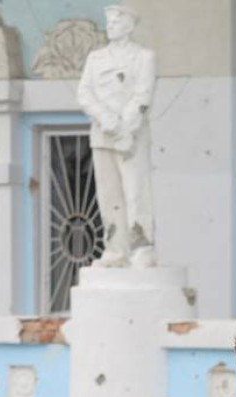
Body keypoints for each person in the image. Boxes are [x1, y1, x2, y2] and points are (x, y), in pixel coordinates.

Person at [76, 5, 157, 268]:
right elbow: (84, 93)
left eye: (116, 21)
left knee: (136, 193)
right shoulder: (95, 59)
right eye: (108, 21)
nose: (110, 25)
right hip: (103, 133)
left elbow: (143, 95)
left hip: (131, 135)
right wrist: (107, 119)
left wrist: (125, 126)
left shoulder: (144, 57)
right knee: (109, 195)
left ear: (130, 25)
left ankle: (142, 246)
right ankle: (115, 249)